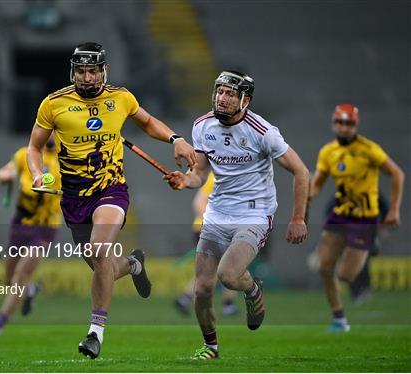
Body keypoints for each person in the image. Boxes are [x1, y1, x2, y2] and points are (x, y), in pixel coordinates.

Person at [26, 42, 196, 359]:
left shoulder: (121, 97)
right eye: (80, 71)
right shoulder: (54, 104)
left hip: (110, 189)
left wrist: (176, 138)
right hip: (72, 196)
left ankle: (95, 333)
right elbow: (34, 148)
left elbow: (146, 122)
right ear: (72, 72)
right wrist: (38, 174)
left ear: (104, 70)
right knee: (102, 266)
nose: (87, 78)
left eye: (92, 71)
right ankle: (133, 265)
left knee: (99, 249)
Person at [166, 70, 309, 360]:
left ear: (245, 100)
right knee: (203, 289)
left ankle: (253, 289)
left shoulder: (263, 132)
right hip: (218, 212)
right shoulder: (203, 126)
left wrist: (297, 218)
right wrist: (185, 180)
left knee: (229, 275)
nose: (222, 97)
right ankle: (212, 347)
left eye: (230, 93)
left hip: (255, 213)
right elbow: (200, 173)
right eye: (220, 91)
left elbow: (301, 171)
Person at [309, 104, 404, 332]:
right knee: (324, 268)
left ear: (355, 125)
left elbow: (397, 173)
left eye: (348, 123)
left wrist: (393, 210)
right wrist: (306, 194)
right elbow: (318, 183)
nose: (343, 127)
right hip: (340, 215)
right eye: (340, 122)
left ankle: (366, 247)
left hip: (364, 219)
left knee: (345, 275)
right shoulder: (328, 152)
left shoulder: (369, 149)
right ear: (334, 124)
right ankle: (339, 318)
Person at [0, 137, 61, 336]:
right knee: (10, 276)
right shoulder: (25, 154)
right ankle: (30, 290)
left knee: (21, 273)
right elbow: (5, 171)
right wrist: (5, 176)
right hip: (20, 223)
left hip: (45, 226)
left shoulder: (65, 160)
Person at [174, 172, 239, 317]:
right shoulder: (218, 175)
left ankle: (185, 298)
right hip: (209, 229)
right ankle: (228, 304)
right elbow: (198, 203)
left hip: (207, 229)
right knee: (229, 265)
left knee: (212, 269)